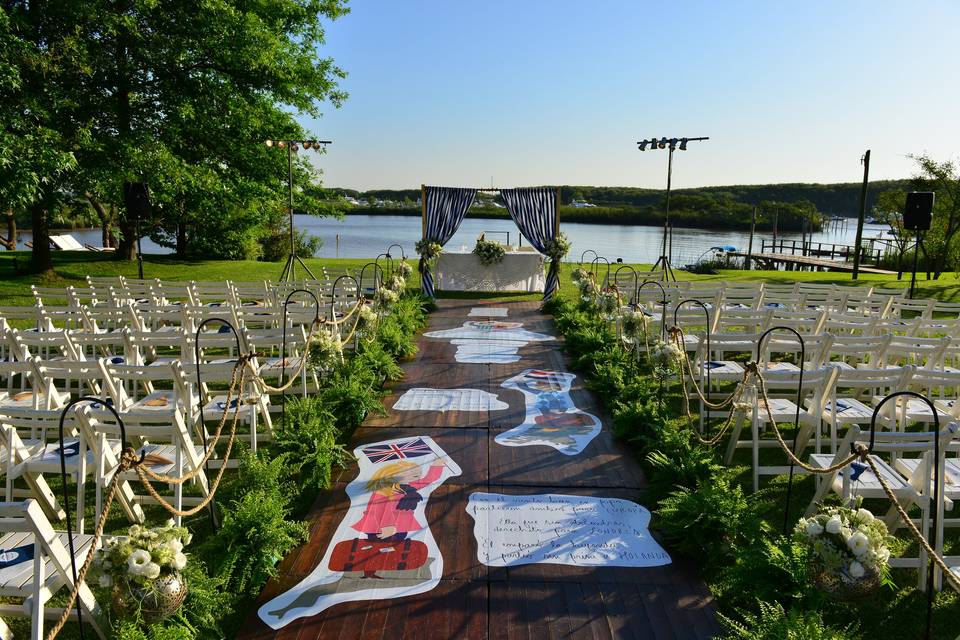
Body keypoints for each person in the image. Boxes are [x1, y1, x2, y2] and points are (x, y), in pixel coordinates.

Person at [351, 459, 446, 541]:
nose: (417, 474)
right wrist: (387, 526)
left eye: (417, 473)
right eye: (411, 472)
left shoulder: (405, 487)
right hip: (381, 527)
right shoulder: (382, 491)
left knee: (396, 547)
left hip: (400, 525)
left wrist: (436, 465)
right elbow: (378, 509)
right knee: (379, 546)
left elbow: (427, 480)